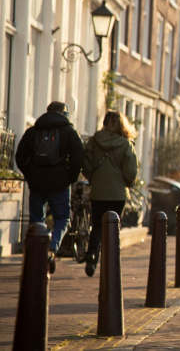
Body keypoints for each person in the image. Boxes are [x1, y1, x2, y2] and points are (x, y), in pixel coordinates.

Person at [15, 101, 84, 274]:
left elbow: (20, 156)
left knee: (36, 220)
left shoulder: (33, 131)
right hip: (59, 184)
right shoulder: (69, 132)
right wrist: (69, 178)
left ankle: (35, 254)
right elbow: (78, 157)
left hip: (37, 184)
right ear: (63, 113)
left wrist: (30, 174)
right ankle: (51, 249)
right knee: (63, 218)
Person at [81, 111, 138, 277]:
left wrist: (92, 177)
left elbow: (85, 161)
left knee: (97, 226)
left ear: (104, 123)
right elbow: (130, 171)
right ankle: (111, 262)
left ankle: (92, 254)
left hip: (98, 191)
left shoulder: (94, 141)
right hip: (118, 194)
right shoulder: (126, 145)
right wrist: (127, 184)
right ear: (122, 124)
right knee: (113, 228)